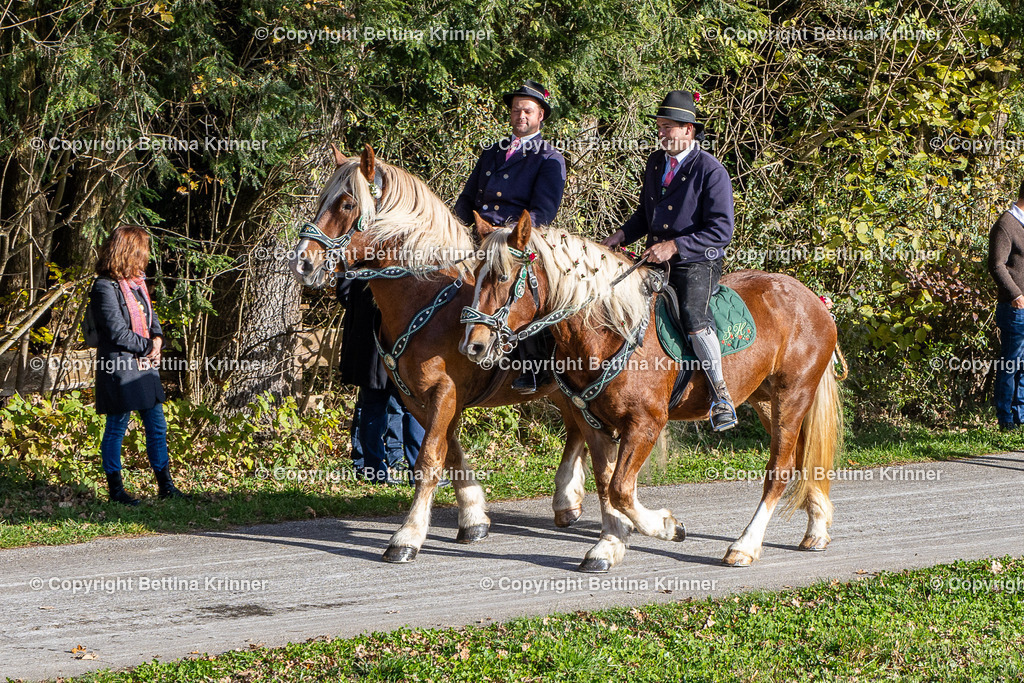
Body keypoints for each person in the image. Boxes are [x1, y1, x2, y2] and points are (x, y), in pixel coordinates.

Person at [602, 90, 738, 431]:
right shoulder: (655, 163)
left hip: (697, 261)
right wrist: (620, 235)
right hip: (655, 258)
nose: (662, 134)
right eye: (660, 127)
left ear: (689, 130)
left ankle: (721, 395)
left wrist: (675, 246)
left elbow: (721, 230)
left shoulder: (711, 170)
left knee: (693, 316)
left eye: (669, 128)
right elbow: (646, 216)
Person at [454, 79, 567, 392]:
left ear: (540, 115)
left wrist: (504, 235)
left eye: (527, 110)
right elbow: (467, 197)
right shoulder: (493, 152)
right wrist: (455, 226)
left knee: (523, 288)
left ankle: (533, 366)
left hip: (514, 241)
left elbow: (543, 213)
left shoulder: (549, 158)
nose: (521, 115)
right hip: (477, 236)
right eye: (516, 110)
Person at [90, 225, 187, 505]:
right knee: (117, 426)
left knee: (156, 426)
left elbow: (152, 322)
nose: (146, 257)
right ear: (129, 252)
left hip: (145, 366)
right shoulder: (104, 287)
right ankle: (116, 491)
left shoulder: (138, 284)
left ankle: (166, 486)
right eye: (143, 251)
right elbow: (116, 332)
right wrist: (149, 347)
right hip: (119, 367)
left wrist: (157, 341)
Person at [336, 278, 425, 484]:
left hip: (382, 341)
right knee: (408, 406)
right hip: (388, 341)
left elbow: (344, 293)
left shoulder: (359, 257)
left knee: (380, 406)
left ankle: (376, 470)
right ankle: (416, 471)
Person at [988, 178, 1024, 431]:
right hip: (1015, 308)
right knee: (1010, 364)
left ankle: (1021, 415)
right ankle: (1006, 419)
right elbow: (996, 264)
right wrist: (1015, 294)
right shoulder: (1006, 224)